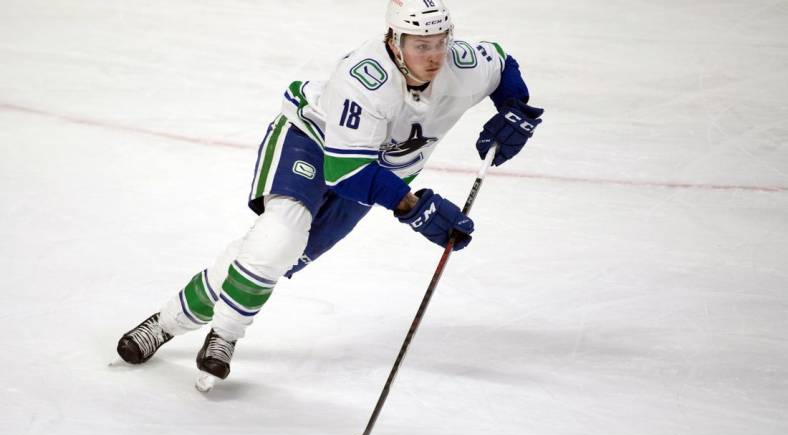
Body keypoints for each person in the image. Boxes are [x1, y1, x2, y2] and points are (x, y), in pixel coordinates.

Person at [116, 0, 544, 384]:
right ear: (395, 41)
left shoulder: (461, 63)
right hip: (314, 142)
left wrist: (515, 110)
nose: (433, 56)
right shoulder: (364, 78)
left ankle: (165, 321)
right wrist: (416, 209)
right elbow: (345, 171)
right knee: (280, 235)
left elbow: (502, 64)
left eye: (439, 43)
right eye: (420, 45)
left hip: (374, 172)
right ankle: (218, 335)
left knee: (274, 258)